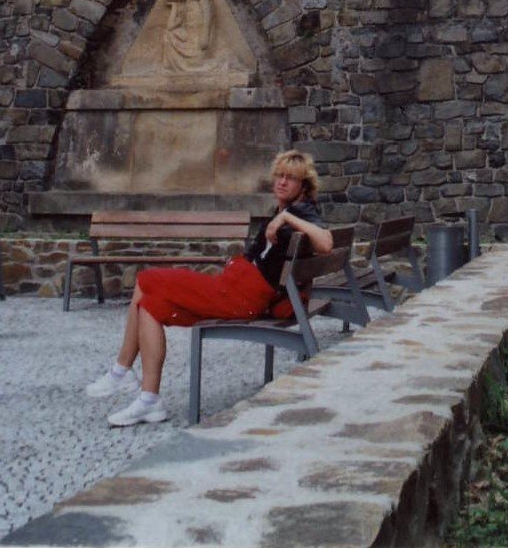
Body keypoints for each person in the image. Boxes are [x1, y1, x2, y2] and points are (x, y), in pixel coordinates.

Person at [84, 149, 333, 426]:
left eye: (291, 178)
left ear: (304, 185)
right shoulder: (288, 209)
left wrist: (286, 219)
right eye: (279, 176)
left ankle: (124, 375)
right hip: (237, 288)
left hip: (242, 296)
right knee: (149, 305)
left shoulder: (301, 212)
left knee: (147, 279)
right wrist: (281, 217)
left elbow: (325, 243)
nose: (282, 182)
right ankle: (145, 396)